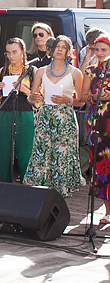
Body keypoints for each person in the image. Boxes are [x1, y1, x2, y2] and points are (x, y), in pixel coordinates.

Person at [23, 35, 84, 196]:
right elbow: (31, 97)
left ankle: (60, 192)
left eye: (63, 47)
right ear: (51, 49)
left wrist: (68, 99)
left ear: (68, 51)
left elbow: (82, 101)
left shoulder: (75, 73)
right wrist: (33, 98)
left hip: (65, 117)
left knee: (62, 155)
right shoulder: (41, 71)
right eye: (57, 46)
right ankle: (39, 190)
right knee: (42, 153)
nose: (59, 50)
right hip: (45, 116)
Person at [77, 35, 110, 222]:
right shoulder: (91, 71)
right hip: (97, 122)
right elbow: (82, 95)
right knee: (101, 166)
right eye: (97, 50)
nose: (99, 54)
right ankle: (108, 211)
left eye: (103, 50)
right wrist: (94, 95)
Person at [0, 38, 36, 184]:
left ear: (23, 52)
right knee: (5, 150)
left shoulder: (31, 71)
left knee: (25, 151)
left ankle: (27, 184)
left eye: (14, 52)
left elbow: (37, 99)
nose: (11, 56)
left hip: (25, 113)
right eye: (8, 53)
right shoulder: (3, 70)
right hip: (6, 112)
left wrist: (24, 90)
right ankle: (4, 184)